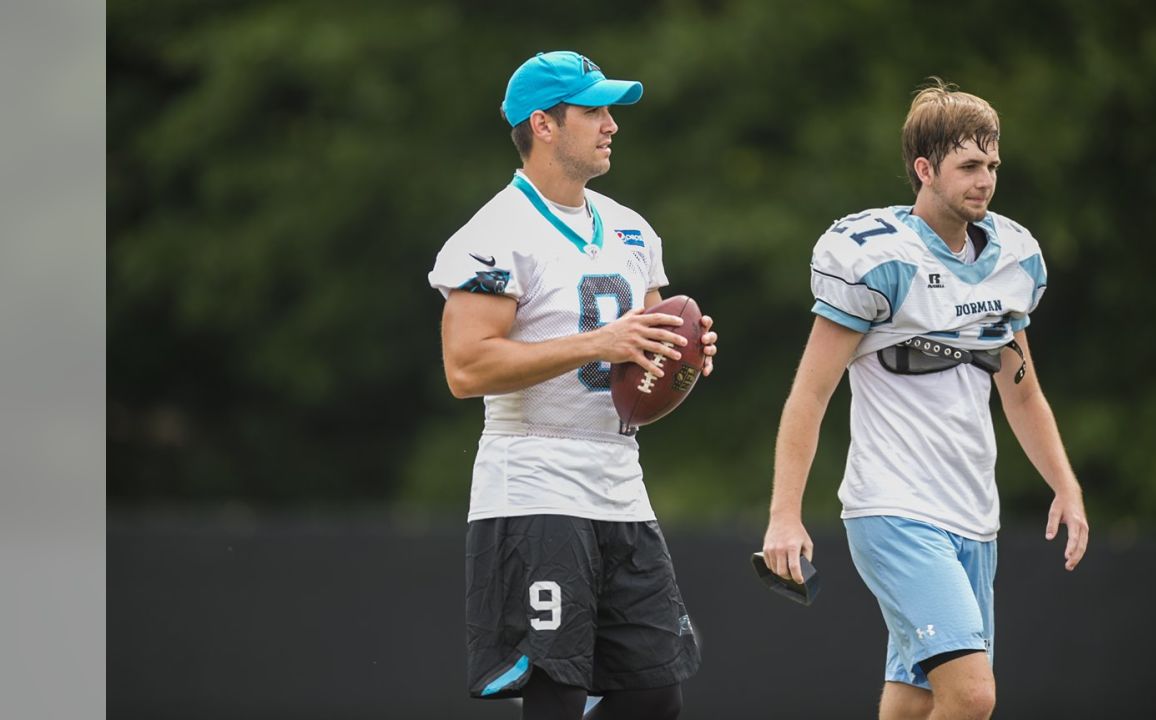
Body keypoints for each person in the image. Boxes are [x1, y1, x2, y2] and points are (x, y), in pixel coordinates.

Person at [761, 78, 1088, 720]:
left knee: (913, 701)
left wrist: (1066, 486)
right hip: (894, 509)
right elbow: (811, 393)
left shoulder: (1009, 263)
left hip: (972, 512)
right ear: (924, 168)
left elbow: (1022, 395)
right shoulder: (881, 260)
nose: (985, 180)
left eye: (992, 165)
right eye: (968, 165)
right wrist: (784, 514)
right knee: (971, 696)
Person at [427, 51, 716, 720]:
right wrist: (600, 342)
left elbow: (641, 380)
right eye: (594, 111)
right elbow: (465, 370)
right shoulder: (497, 233)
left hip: (619, 478)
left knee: (653, 695)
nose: (611, 124)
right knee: (555, 693)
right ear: (544, 125)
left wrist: (684, 361)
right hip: (535, 480)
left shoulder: (631, 228)